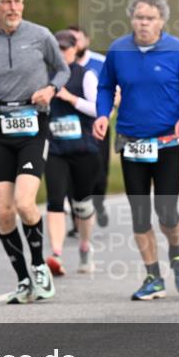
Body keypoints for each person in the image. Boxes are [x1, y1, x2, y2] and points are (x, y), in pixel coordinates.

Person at [0, 0, 70, 304]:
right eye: (6, 2)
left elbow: (62, 70)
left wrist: (50, 90)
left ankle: (39, 267)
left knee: (25, 203)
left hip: (33, 123)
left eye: (18, 1)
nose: (13, 8)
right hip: (0, 127)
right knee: (4, 211)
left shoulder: (40, 35)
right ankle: (23, 280)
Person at [94, 0, 179, 301]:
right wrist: (103, 114)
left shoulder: (177, 51)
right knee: (140, 214)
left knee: (166, 211)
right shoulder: (118, 50)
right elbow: (105, 86)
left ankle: (177, 254)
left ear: (162, 21)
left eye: (150, 18)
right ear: (131, 18)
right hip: (131, 142)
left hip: (167, 141)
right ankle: (153, 276)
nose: (143, 23)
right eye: (139, 17)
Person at [44, 30, 101, 276]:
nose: (62, 53)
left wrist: (71, 98)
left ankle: (85, 247)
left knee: (82, 204)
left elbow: (98, 108)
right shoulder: (43, 77)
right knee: (55, 200)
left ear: (75, 50)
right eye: (57, 49)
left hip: (83, 149)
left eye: (66, 48)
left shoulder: (84, 75)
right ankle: (56, 254)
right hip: (55, 149)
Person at [69, 24, 111, 228]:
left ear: (87, 40)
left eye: (77, 39)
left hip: (97, 124)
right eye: (70, 41)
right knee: (70, 170)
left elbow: (114, 91)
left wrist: (108, 112)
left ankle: (99, 203)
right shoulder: (61, 66)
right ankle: (78, 221)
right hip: (69, 125)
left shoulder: (100, 63)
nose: (74, 44)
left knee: (99, 172)